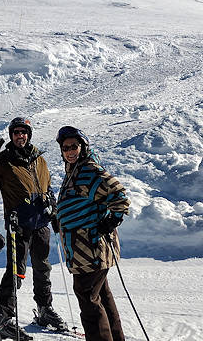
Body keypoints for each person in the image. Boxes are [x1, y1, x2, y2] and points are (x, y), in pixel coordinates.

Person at [0, 117, 66, 339]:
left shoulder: (39, 159)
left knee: (43, 268)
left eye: (24, 132)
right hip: (19, 227)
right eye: (16, 132)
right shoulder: (5, 160)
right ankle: (2, 319)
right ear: (11, 135)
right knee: (15, 272)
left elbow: (48, 187)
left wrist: (53, 211)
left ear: (29, 134)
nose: (20, 136)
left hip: (42, 224)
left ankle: (44, 309)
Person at [54, 126, 130, 341]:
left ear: (83, 147)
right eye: (65, 147)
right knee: (102, 297)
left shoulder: (88, 170)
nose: (69, 151)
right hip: (82, 251)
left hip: (90, 248)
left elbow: (119, 195)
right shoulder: (74, 172)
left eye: (74, 146)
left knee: (88, 300)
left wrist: (112, 220)